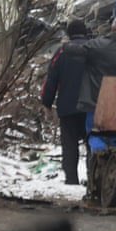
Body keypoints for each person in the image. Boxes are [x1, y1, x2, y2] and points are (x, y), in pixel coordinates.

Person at [40, 18, 93, 184]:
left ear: (69, 34)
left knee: (69, 146)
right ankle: (93, 179)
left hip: (67, 107)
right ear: (85, 33)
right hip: (91, 107)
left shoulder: (61, 52)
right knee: (92, 144)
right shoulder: (94, 50)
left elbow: (51, 80)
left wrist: (47, 103)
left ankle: (71, 180)